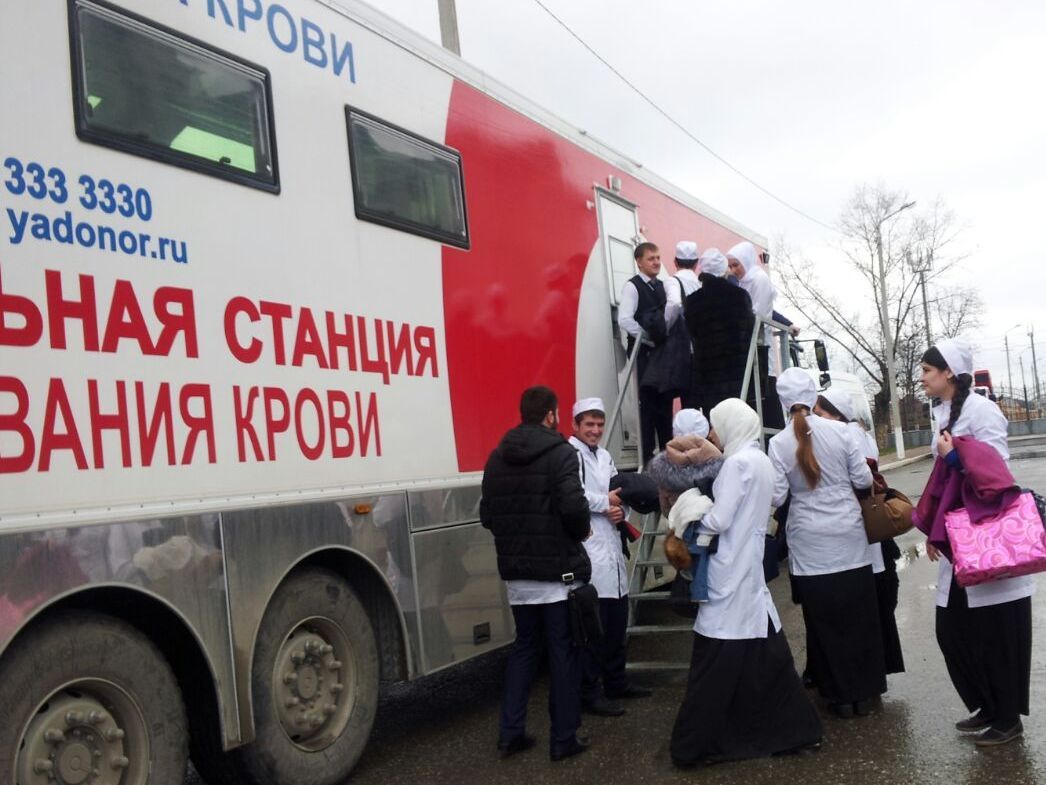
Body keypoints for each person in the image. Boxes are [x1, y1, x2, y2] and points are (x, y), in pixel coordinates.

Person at [670, 399, 822, 765]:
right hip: (749, 565)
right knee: (766, 656)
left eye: (717, 426)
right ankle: (794, 729)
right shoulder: (760, 460)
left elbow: (720, 519)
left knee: (718, 656)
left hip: (729, 568)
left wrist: (688, 517)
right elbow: (773, 499)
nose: (713, 434)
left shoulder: (737, 464)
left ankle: (695, 744)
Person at [919, 338, 1034, 747]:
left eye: (928, 371)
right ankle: (986, 704)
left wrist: (955, 457)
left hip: (989, 537)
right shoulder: (944, 412)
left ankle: (1007, 718)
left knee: (997, 634)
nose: (922, 378)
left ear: (949, 372)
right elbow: (943, 485)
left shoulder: (983, 411)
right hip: (959, 539)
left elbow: (996, 474)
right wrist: (937, 531)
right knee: (952, 633)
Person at [480, 386, 593, 761]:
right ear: (550, 415)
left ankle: (510, 733)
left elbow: (487, 516)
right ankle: (563, 738)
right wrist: (580, 533)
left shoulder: (497, 457)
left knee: (525, 649)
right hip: (557, 577)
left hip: (518, 579)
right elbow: (574, 509)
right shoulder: (562, 453)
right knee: (563, 652)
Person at [768, 368, 885, 719]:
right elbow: (862, 478)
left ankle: (837, 695)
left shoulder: (777, 443)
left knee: (825, 622)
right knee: (858, 617)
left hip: (809, 543)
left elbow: (776, 494)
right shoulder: (840, 431)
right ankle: (863, 694)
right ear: (816, 397)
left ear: (783, 404)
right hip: (848, 537)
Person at [568, 398, 653, 718]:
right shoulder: (570, 455)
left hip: (612, 548)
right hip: (590, 552)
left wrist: (621, 510)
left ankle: (617, 681)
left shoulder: (604, 456)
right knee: (594, 631)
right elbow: (572, 495)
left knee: (617, 624)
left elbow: (620, 493)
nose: (595, 430)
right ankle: (591, 692)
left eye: (600, 425)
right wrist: (605, 503)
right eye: (588, 424)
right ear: (575, 425)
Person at [814, 386, 905, 677]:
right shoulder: (857, 433)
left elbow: (861, 479)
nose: (816, 418)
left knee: (870, 605)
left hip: (860, 525)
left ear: (836, 415)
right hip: (864, 529)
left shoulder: (848, 435)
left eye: (820, 413)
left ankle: (871, 668)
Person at [617, 242, 673, 464]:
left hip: (661, 354)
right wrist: (645, 337)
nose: (657, 262)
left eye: (658, 258)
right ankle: (648, 456)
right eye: (651, 258)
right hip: (644, 353)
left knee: (664, 403)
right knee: (648, 403)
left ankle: (668, 454)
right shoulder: (632, 287)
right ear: (639, 261)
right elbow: (624, 318)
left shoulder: (662, 286)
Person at [684, 248, 755, 417]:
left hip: (708, 374)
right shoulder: (740, 296)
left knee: (715, 423)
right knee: (739, 422)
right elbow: (750, 329)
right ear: (724, 269)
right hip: (738, 371)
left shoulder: (693, 301)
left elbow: (691, 331)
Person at [666, 241, 702, 408]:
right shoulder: (702, 283)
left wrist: (664, 328)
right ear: (696, 263)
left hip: (684, 351)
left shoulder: (673, 281)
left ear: (675, 262)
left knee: (687, 401)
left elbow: (674, 304)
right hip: (702, 350)